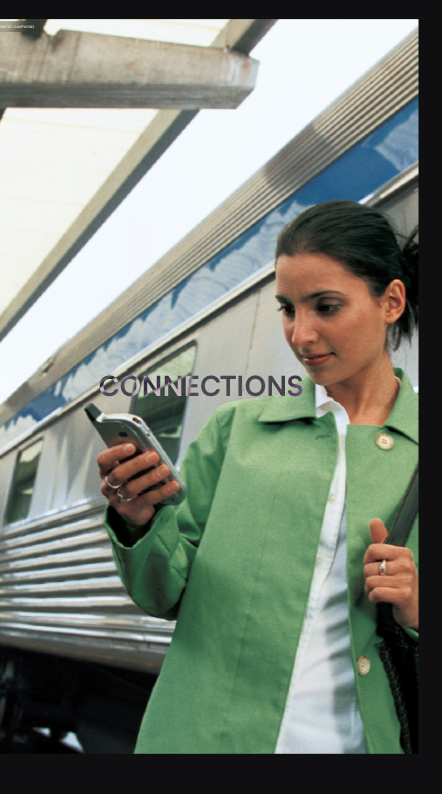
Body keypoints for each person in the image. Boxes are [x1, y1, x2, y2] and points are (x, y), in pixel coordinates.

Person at [97, 200, 418, 754]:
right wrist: (137, 520)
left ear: (390, 301)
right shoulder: (234, 433)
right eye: (288, 310)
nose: (301, 334)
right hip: (205, 741)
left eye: (326, 306)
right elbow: (162, 593)